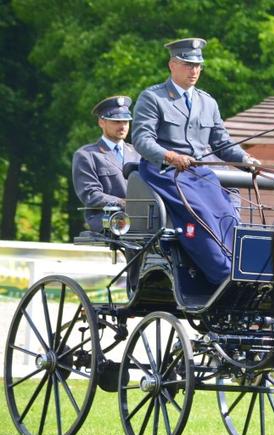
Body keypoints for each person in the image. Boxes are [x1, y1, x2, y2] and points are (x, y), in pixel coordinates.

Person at [132, 37, 259, 285]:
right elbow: (142, 140)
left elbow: (222, 143)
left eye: (198, 65)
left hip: (199, 174)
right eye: (188, 64)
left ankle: (239, 267)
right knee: (200, 213)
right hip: (164, 172)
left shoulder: (207, 102)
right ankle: (222, 275)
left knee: (226, 211)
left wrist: (246, 159)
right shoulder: (153, 98)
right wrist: (169, 155)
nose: (194, 70)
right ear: (172, 65)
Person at [72, 96, 141, 232]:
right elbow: (91, 194)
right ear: (101, 122)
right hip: (109, 222)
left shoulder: (138, 153)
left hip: (141, 220)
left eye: (126, 122)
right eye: (116, 122)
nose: (122, 126)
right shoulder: (87, 155)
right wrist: (122, 203)